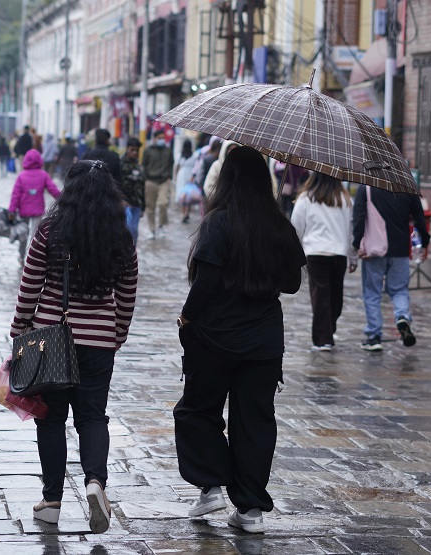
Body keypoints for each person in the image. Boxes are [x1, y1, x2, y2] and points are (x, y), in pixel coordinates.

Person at [173, 146, 306, 535]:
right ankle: (250, 511)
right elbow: (292, 284)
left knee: (197, 410)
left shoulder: (218, 223)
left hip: (214, 337)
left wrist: (186, 317)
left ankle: (212, 483)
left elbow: (207, 282)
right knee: (254, 422)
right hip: (263, 343)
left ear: (226, 179)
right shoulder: (278, 225)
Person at [10, 159, 138, 535]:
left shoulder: (50, 230)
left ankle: (51, 501)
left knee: (50, 419)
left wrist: (20, 328)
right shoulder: (120, 235)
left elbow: (30, 283)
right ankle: (95, 482)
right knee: (93, 416)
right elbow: (127, 291)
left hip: (51, 338)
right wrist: (118, 332)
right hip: (99, 340)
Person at [351, 184, 430, 351]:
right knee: (399, 289)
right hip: (400, 249)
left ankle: (374, 336)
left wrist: (356, 244)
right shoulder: (407, 187)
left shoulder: (367, 187)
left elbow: (358, 218)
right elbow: (419, 217)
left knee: (372, 293)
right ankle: (402, 316)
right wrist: (425, 240)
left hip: (374, 250)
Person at [290, 173, 354, 351]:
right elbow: (351, 231)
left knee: (324, 296)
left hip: (319, 253)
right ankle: (324, 336)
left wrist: (296, 254)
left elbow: (296, 229)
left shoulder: (306, 198)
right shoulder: (344, 199)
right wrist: (352, 255)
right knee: (332, 295)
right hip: (333, 253)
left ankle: (325, 333)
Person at [8, 148, 61, 263]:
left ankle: (22, 256)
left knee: (23, 234)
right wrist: (64, 199)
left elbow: (15, 195)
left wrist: (11, 211)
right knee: (36, 235)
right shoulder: (43, 175)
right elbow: (53, 190)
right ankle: (33, 258)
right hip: (38, 210)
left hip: (23, 210)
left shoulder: (21, 176)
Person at [142, 130, 174, 238]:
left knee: (163, 204)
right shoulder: (148, 150)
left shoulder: (168, 150)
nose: (161, 140)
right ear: (154, 138)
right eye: (159, 138)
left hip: (164, 181)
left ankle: (161, 226)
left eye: (163, 138)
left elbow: (171, 163)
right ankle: (152, 229)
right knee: (150, 207)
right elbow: (144, 164)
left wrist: (169, 176)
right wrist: (145, 177)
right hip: (150, 181)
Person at [119, 137, 145, 242]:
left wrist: (143, 207)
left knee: (134, 231)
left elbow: (142, 187)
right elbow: (116, 184)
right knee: (126, 230)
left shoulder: (139, 166)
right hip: (124, 204)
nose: (135, 153)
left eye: (137, 151)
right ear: (127, 149)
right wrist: (120, 199)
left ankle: (132, 254)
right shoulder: (120, 164)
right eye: (132, 150)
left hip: (137, 204)